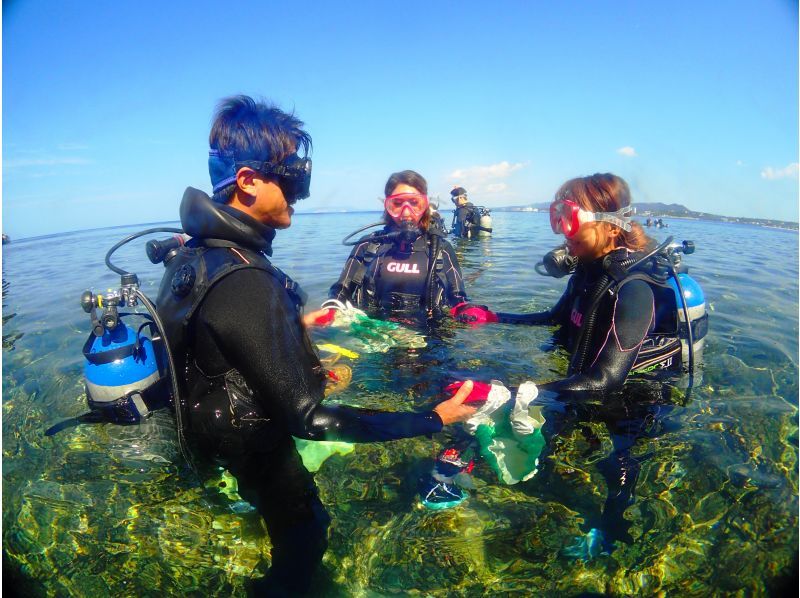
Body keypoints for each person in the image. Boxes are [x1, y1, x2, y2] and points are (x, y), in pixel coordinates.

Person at [155, 96, 477, 596]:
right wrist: (432, 419)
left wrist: (296, 330)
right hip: (256, 455)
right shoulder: (245, 278)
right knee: (306, 541)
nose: (299, 192)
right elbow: (311, 419)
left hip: (211, 441)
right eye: (290, 177)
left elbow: (218, 347)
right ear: (247, 180)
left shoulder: (195, 256)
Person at [449, 173, 708, 549]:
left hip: (632, 399)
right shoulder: (590, 271)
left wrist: (501, 392)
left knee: (615, 465)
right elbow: (555, 318)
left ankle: (610, 531)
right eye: (556, 217)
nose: (561, 231)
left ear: (610, 223)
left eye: (568, 218)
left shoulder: (634, 288)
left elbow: (606, 381)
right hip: (580, 383)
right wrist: (494, 317)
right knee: (547, 442)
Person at [329, 170, 467, 318]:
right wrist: (330, 311)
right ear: (387, 206)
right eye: (397, 203)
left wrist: (468, 311)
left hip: (429, 336)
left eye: (414, 203)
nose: (406, 213)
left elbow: (458, 299)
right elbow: (341, 291)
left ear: (425, 205)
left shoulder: (441, 248)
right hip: (372, 333)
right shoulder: (368, 245)